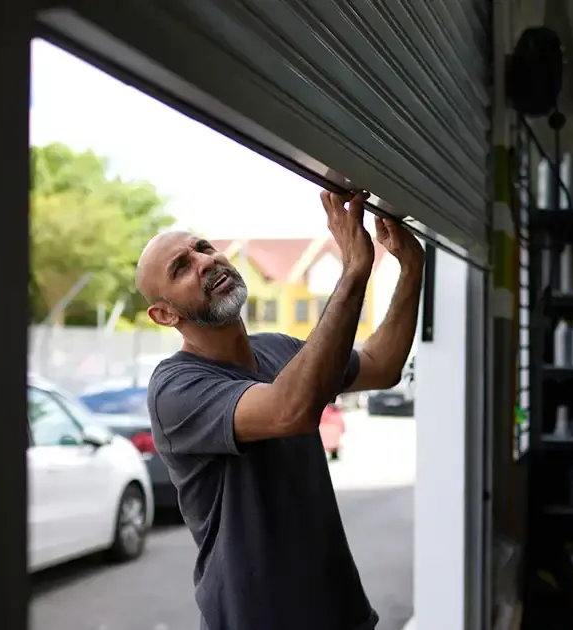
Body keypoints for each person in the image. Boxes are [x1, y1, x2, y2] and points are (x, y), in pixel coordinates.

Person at [134, 190, 424, 630]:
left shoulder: (277, 350)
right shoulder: (175, 388)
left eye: (203, 247)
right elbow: (290, 409)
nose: (205, 261)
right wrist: (353, 271)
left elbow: (381, 367)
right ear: (165, 314)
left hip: (342, 615)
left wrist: (412, 268)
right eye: (182, 268)